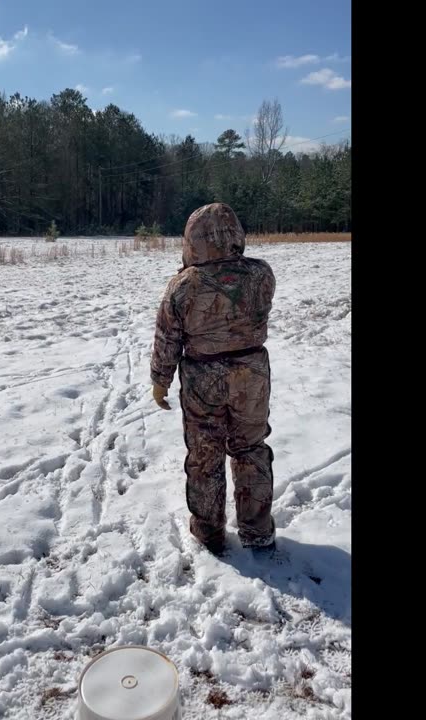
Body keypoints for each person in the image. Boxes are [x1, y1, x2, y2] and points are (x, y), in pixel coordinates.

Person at [150, 203, 276, 554]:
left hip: (204, 378)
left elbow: (167, 337)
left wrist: (160, 378)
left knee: (205, 454)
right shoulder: (262, 274)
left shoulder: (183, 285)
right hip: (252, 376)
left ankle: (209, 532)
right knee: (251, 449)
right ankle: (257, 529)